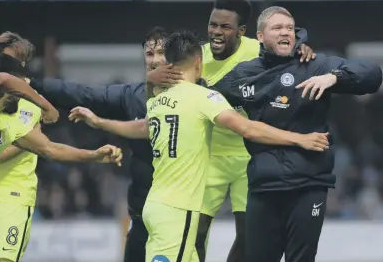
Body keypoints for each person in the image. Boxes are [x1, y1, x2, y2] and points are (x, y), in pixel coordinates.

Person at [69, 30, 328, 262]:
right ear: (198, 61)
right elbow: (247, 128)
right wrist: (299, 138)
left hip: (156, 205)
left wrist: (99, 122)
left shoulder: (159, 101)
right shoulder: (204, 97)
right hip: (177, 211)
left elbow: (141, 128)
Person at [163, 6, 380, 262]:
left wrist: (334, 77)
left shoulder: (314, 64)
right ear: (260, 37)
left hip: (308, 184)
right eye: (277, 28)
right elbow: (203, 95)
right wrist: (162, 78)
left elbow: (373, 74)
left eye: (289, 28)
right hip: (262, 187)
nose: (286, 32)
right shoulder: (245, 74)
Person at [146, 0, 315, 261]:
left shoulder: (257, 50)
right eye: (212, 24)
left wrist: (302, 50)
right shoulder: (194, 58)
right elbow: (162, 97)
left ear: (242, 31)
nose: (216, 32)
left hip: (248, 156)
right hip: (209, 157)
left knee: (249, 235)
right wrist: (151, 78)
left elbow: (287, 45)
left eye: (225, 27)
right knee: (195, 232)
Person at [0, 32, 123, 262]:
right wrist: (46, 108)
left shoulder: (26, 107)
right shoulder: (26, 97)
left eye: (17, 62)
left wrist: (93, 156)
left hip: (11, 197)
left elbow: (49, 149)